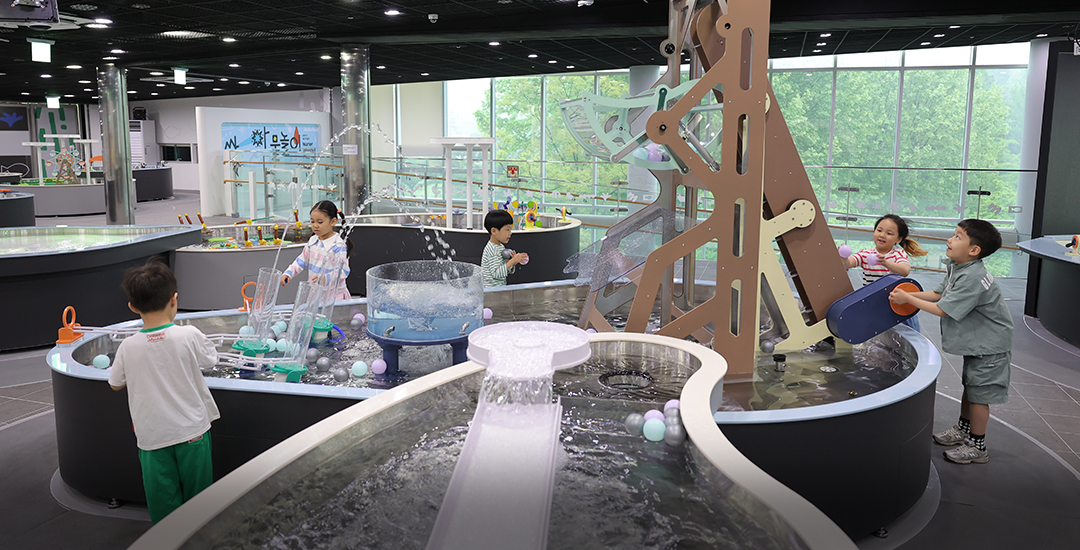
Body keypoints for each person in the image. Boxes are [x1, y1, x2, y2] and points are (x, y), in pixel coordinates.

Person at [889, 219, 1013, 464]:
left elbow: (943, 309)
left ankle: (977, 446)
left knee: (979, 395)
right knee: (971, 387)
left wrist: (908, 299)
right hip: (979, 343)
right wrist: (906, 295)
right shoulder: (959, 267)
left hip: (991, 346)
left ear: (974, 250)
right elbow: (938, 294)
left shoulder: (973, 276)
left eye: (957, 236)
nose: (949, 239)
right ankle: (963, 430)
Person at [108, 261, 220, 523]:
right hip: (192, 432)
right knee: (200, 501)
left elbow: (115, 384)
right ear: (174, 299)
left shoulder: (128, 346)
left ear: (133, 307)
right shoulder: (188, 334)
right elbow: (210, 360)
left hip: (153, 438)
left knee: (163, 505)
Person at [846, 214, 928, 331]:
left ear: (898, 239)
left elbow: (905, 270)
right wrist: (843, 257)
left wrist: (885, 262)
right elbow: (848, 263)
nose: (882, 235)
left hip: (897, 305)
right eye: (879, 230)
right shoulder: (866, 254)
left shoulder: (898, 254)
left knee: (908, 333)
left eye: (889, 233)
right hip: (875, 305)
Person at [281, 200, 352, 300]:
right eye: (312, 221)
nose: (315, 225)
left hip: (334, 296)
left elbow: (344, 270)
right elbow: (301, 260)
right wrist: (289, 273)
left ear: (333, 221)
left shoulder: (338, 245)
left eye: (320, 222)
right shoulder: (313, 241)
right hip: (315, 294)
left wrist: (326, 278)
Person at [482, 209, 527, 287]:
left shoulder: (500, 246)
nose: (510, 233)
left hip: (498, 289)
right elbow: (497, 273)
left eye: (510, 229)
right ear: (494, 231)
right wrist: (513, 261)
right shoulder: (492, 249)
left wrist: (512, 263)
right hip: (491, 290)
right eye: (507, 229)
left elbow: (504, 270)